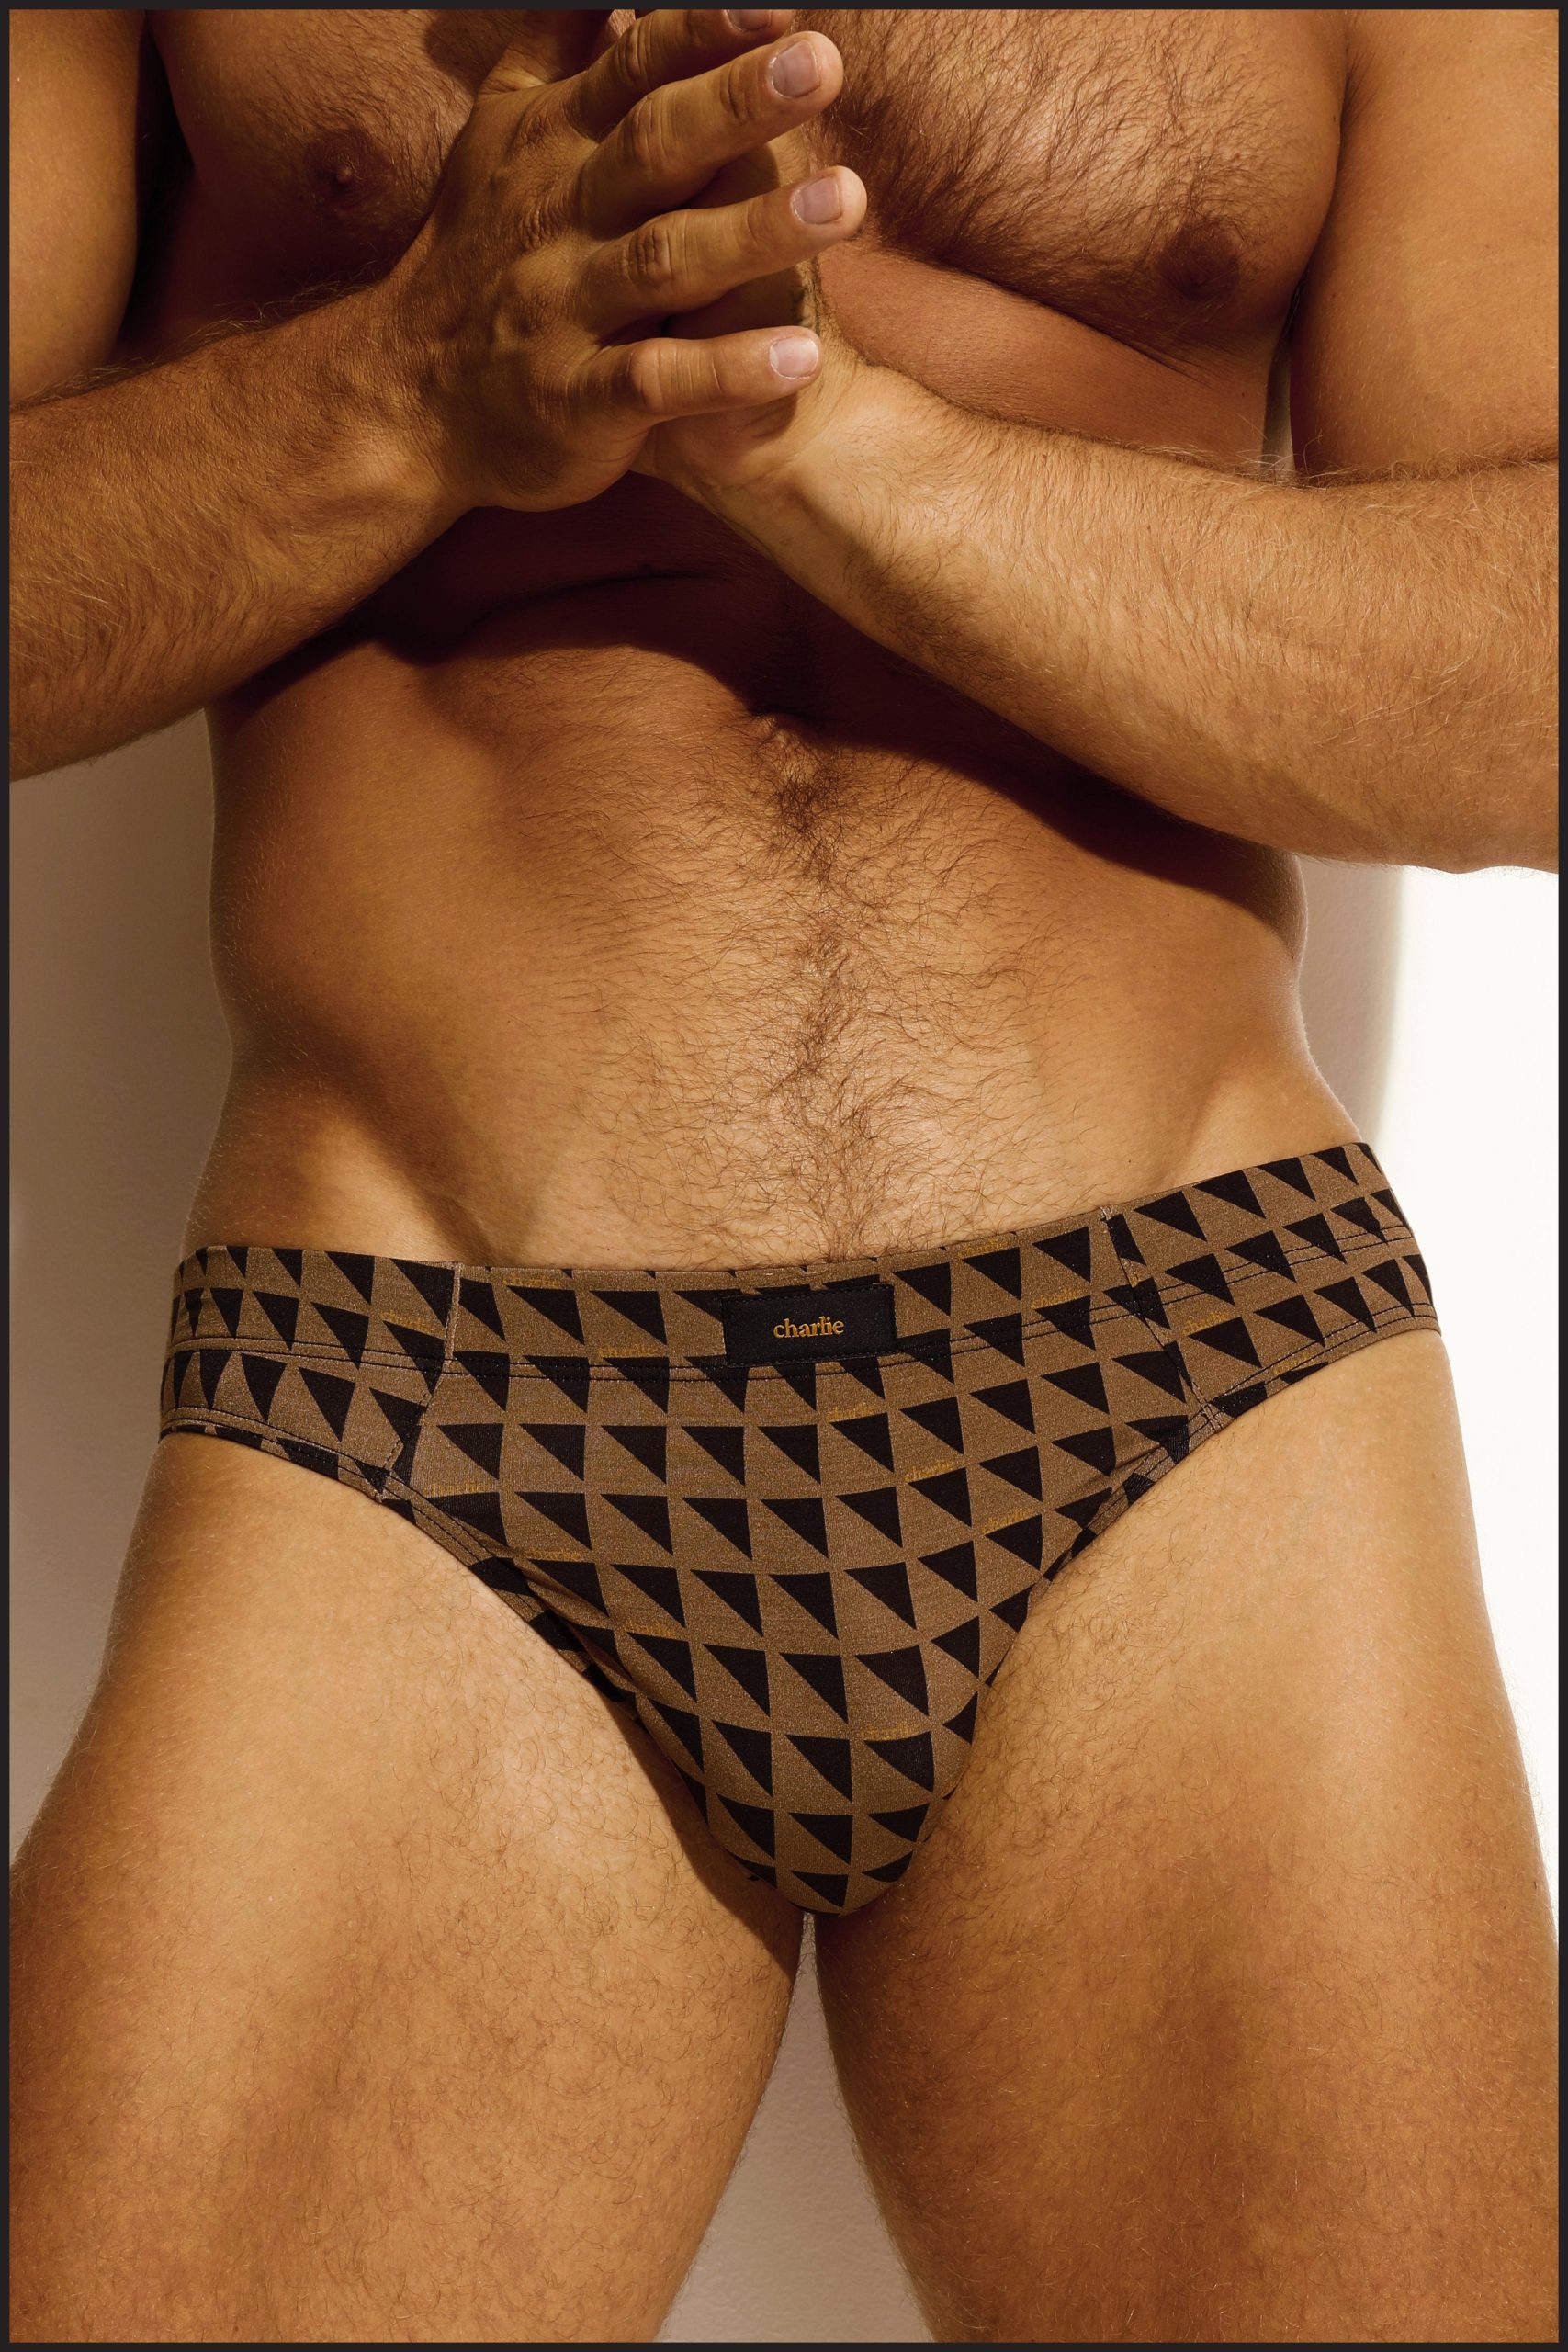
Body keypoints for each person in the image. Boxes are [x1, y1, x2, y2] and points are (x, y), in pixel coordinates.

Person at [9, 7, 1557, 2341]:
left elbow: (1523, 688)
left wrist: (834, 450)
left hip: (1185, 1379)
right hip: (419, 1388)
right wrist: (401, 387)